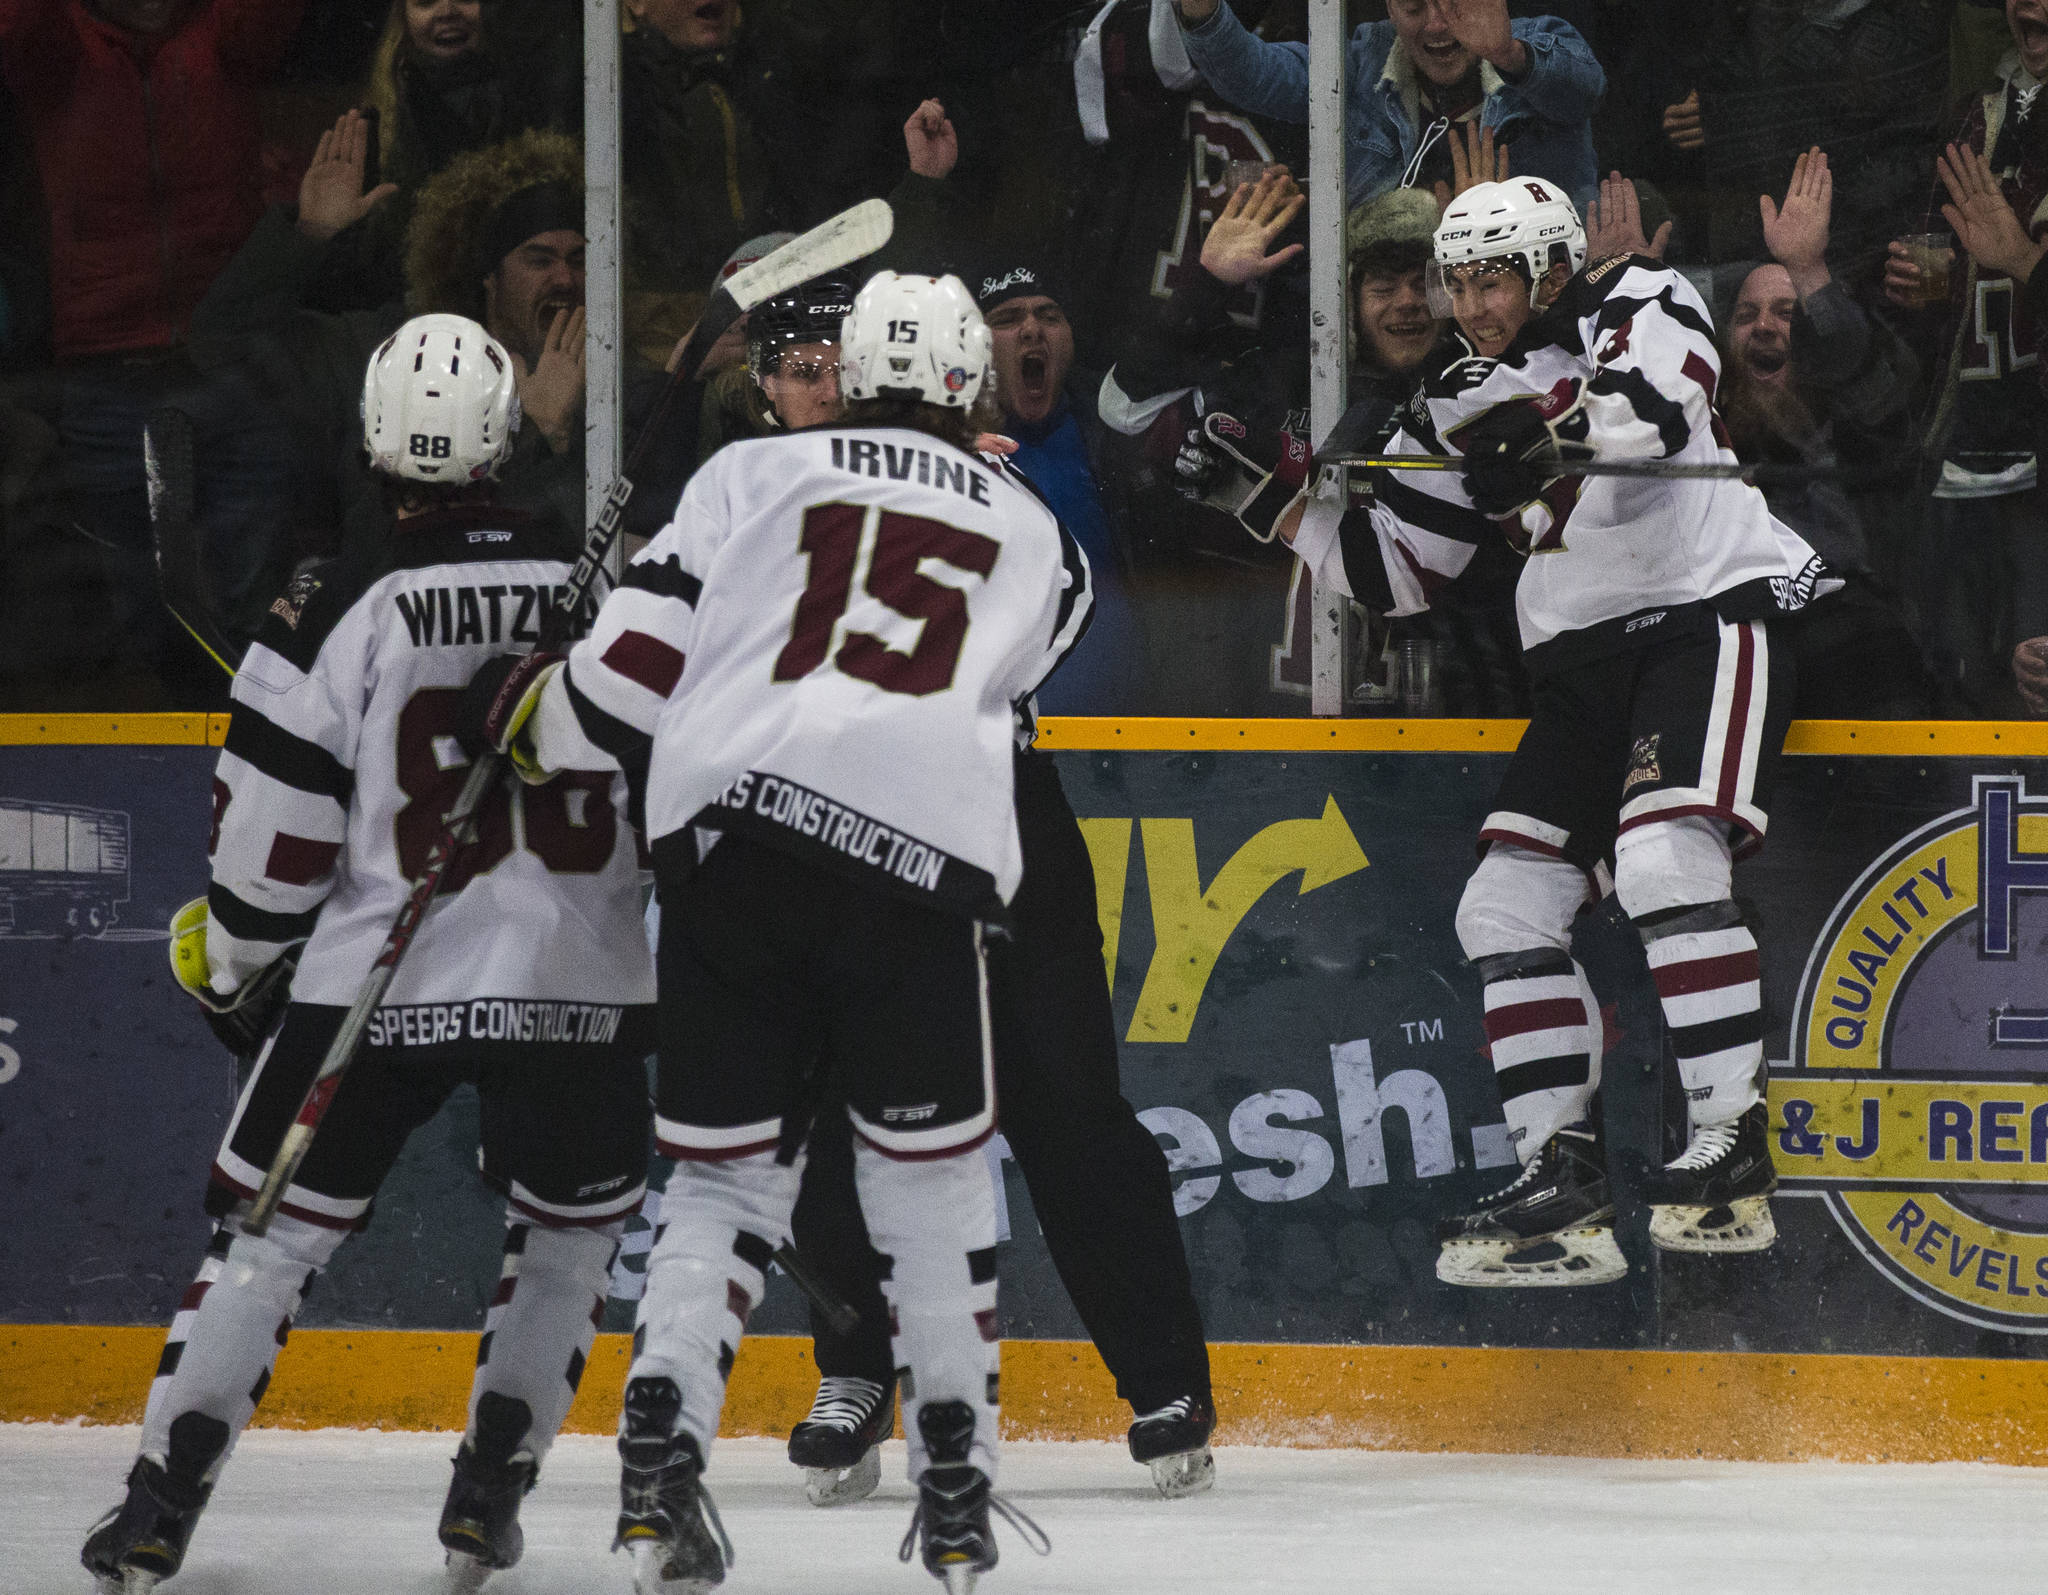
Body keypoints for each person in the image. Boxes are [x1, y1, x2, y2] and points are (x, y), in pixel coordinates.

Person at [462, 272, 1090, 1592]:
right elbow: (1020, 660)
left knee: (723, 1182)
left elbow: (620, 689)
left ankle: (660, 1452)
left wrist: (540, 711)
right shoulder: (1031, 521)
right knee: (928, 1181)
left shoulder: (747, 477)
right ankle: (959, 1481)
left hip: (729, 855)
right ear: (972, 380)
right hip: (912, 867)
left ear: (850, 372)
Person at [79, 314, 657, 1593]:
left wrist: (237, 961)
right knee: (565, 1243)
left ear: (373, 439)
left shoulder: (331, 594)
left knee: (266, 1242)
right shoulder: (603, 586)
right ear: (506, 432)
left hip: (372, 987)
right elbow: (667, 774)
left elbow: (272, 835)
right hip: (581, 974)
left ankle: (157, 1508)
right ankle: (484, 1499)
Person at [1279, 179, 1834, 1285]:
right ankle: (1559, 1180)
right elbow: (1396, 572)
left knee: (1663, 855)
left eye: (1495, 276)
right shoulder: (1452, 391)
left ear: (1545, 267)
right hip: (1578, 666)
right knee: (1500, 903)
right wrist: (1269, 501)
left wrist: (1548, 431)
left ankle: (1730, 1145)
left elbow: (1662, 400)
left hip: (1701, 614)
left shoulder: (1636, 292)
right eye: (1460, 281)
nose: (1474, 302)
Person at [1715, 151, 1930, 718]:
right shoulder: (1700, 438)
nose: (1762, 325)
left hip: (1860, 677)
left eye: (1786, 313)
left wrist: (1811, 271)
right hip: (1734, 673)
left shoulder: (1857, 432)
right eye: (1746, 315)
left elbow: (1871, 387)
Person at [1885, 8, 2048, 715]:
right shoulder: (1974, 118)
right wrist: (1926, 292)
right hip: (1965, 446)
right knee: (1951, 679)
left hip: (2037, 465)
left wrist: (2022, 261)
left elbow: (2013, 253)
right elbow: (1945, 276)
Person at [1169, 0, 1604, 207]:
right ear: (1390, 10)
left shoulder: (1546, 40)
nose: (1437, 25)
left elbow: (1584, 91)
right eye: (1414, 6)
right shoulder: (1362, 62)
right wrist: (1199, 10)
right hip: (1395, 322)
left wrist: (1509, 53)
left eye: (1455, 5)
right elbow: (1253, 75)